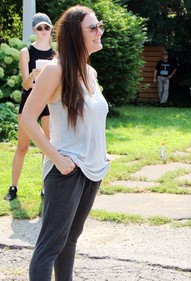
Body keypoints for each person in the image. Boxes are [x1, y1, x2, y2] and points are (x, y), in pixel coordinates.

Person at [21, 5, 109, 281]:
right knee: (49, 246)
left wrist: (103, 154)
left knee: (70, 241)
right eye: (93, 27)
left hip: (92, 169)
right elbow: (27, 118)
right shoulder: (55, 70)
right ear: (74, 35)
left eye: (100, 25)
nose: (99, 31)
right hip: (66, 170)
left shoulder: (90, 73)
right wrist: (56, 158)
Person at [4, 13, 55, 201]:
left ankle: (44, 188)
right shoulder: (26, 52)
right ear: (34, 30)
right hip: (29, 99)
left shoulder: (55, 54)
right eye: (39, 28)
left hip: (48, 101)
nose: (43, 31)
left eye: (46, 27)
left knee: (47, 146)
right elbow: (25, 85)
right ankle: (13, 187)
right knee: (23, 146)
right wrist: (34, 75)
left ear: (51, 29)